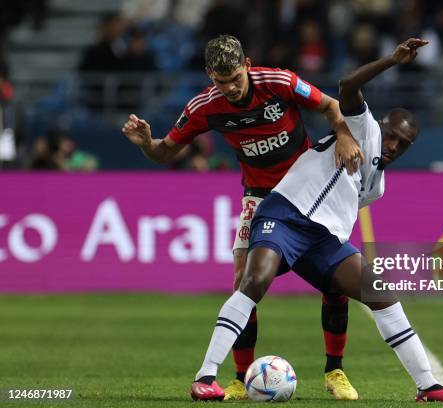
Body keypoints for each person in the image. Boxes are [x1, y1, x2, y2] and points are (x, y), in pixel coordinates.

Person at [190, 38, 443, 404]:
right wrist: (391, 59)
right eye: (391, 135)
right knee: (253, 281)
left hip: (323, 239)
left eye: (402, 144)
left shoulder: (378, 186)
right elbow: (347, 86)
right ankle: (205, 377)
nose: (391, 145)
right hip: (285, 212)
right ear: (382, 126)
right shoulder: (364, 126)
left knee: (382, 294)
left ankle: (428, 385)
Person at [121, 35, 364, 400]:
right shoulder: (204, 106)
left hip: (310, 192)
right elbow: (166, 152)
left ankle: (335, 370)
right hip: (260, 198)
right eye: (222, 82)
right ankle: (238, 377)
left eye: (236, 77)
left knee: (335, 280)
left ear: (247, 64)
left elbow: (330, 106)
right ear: (209, 76)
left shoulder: (278, 83)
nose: (231, 88)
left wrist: (343, 134)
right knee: (244, 282)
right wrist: (146, 144)